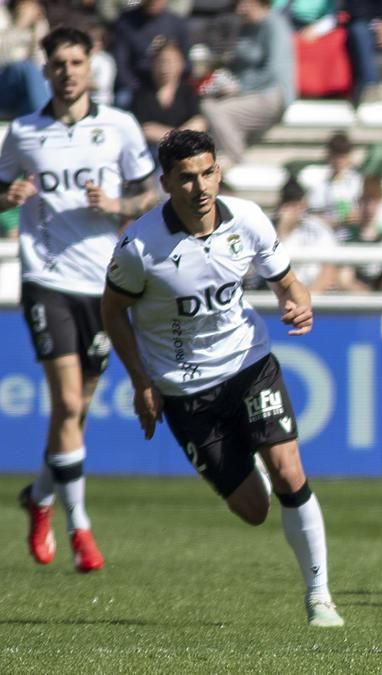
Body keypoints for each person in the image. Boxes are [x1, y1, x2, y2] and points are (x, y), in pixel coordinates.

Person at [100, 129, 345, 628]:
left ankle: (320, 596)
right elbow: (112, 311)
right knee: (253, 510)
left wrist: (296, 299)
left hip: (249, 364)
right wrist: (142, 381)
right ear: (166, 182)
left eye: (208, 173)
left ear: (219, 171)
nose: (200, 187)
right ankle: (246, 471)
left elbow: (288, 280)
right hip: (185, 390)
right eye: (186, 178)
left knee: (290, 471)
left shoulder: (248, 219)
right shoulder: (139, 247)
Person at [1, 26, 159, 573]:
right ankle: (81, 530)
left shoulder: (119, 127)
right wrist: (8, 196)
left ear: (91, 67)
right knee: (68, 404)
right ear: (44, 71)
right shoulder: (23, 131)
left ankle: (39, 499)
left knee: (77, 412)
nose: (67, 72)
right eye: (58, 64)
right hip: (46, 280)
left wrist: (118, 203)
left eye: (76, 62)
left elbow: (151, 193)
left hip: (103, 285)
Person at [200, 0, 295, 166]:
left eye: (244, 4)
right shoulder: (245, 27)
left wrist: (240, 88)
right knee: (207, 104)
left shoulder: (275, 26)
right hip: (244, 94)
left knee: (216, 111)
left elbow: (273, 71)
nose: (239, 9)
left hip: (269, 93)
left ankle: (236, 160)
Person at [112, 0, 191, 107]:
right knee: (123, 99)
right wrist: (135, 88)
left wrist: (170, 87)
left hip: (169, 83)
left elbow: (185, 62)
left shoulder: (177, 23)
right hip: (137, 82)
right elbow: (121, 62)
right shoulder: (126, 23)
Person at [131, 40, 207, 147]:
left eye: (170, 62)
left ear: (180, 64)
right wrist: (179, 137)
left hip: (186, 149)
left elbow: (198, 122)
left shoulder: (188, 91)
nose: (164, 68)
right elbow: (145, 129)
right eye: (160, 62)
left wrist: (176, 139)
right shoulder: (142, 94)